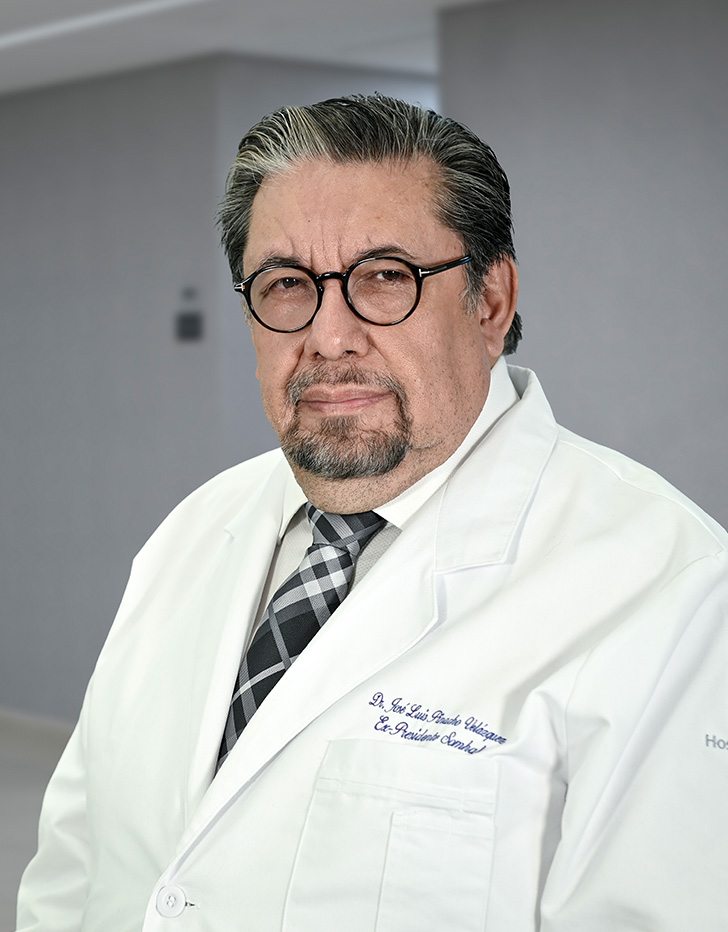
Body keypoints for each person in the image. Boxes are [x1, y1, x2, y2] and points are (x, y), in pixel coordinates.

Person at [16, 95, 728, 931]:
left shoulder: (672, 591)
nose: (328, 335)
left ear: (491, 302)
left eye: (385, 278)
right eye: (286, 285)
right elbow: (73, 873)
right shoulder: (192, 532)